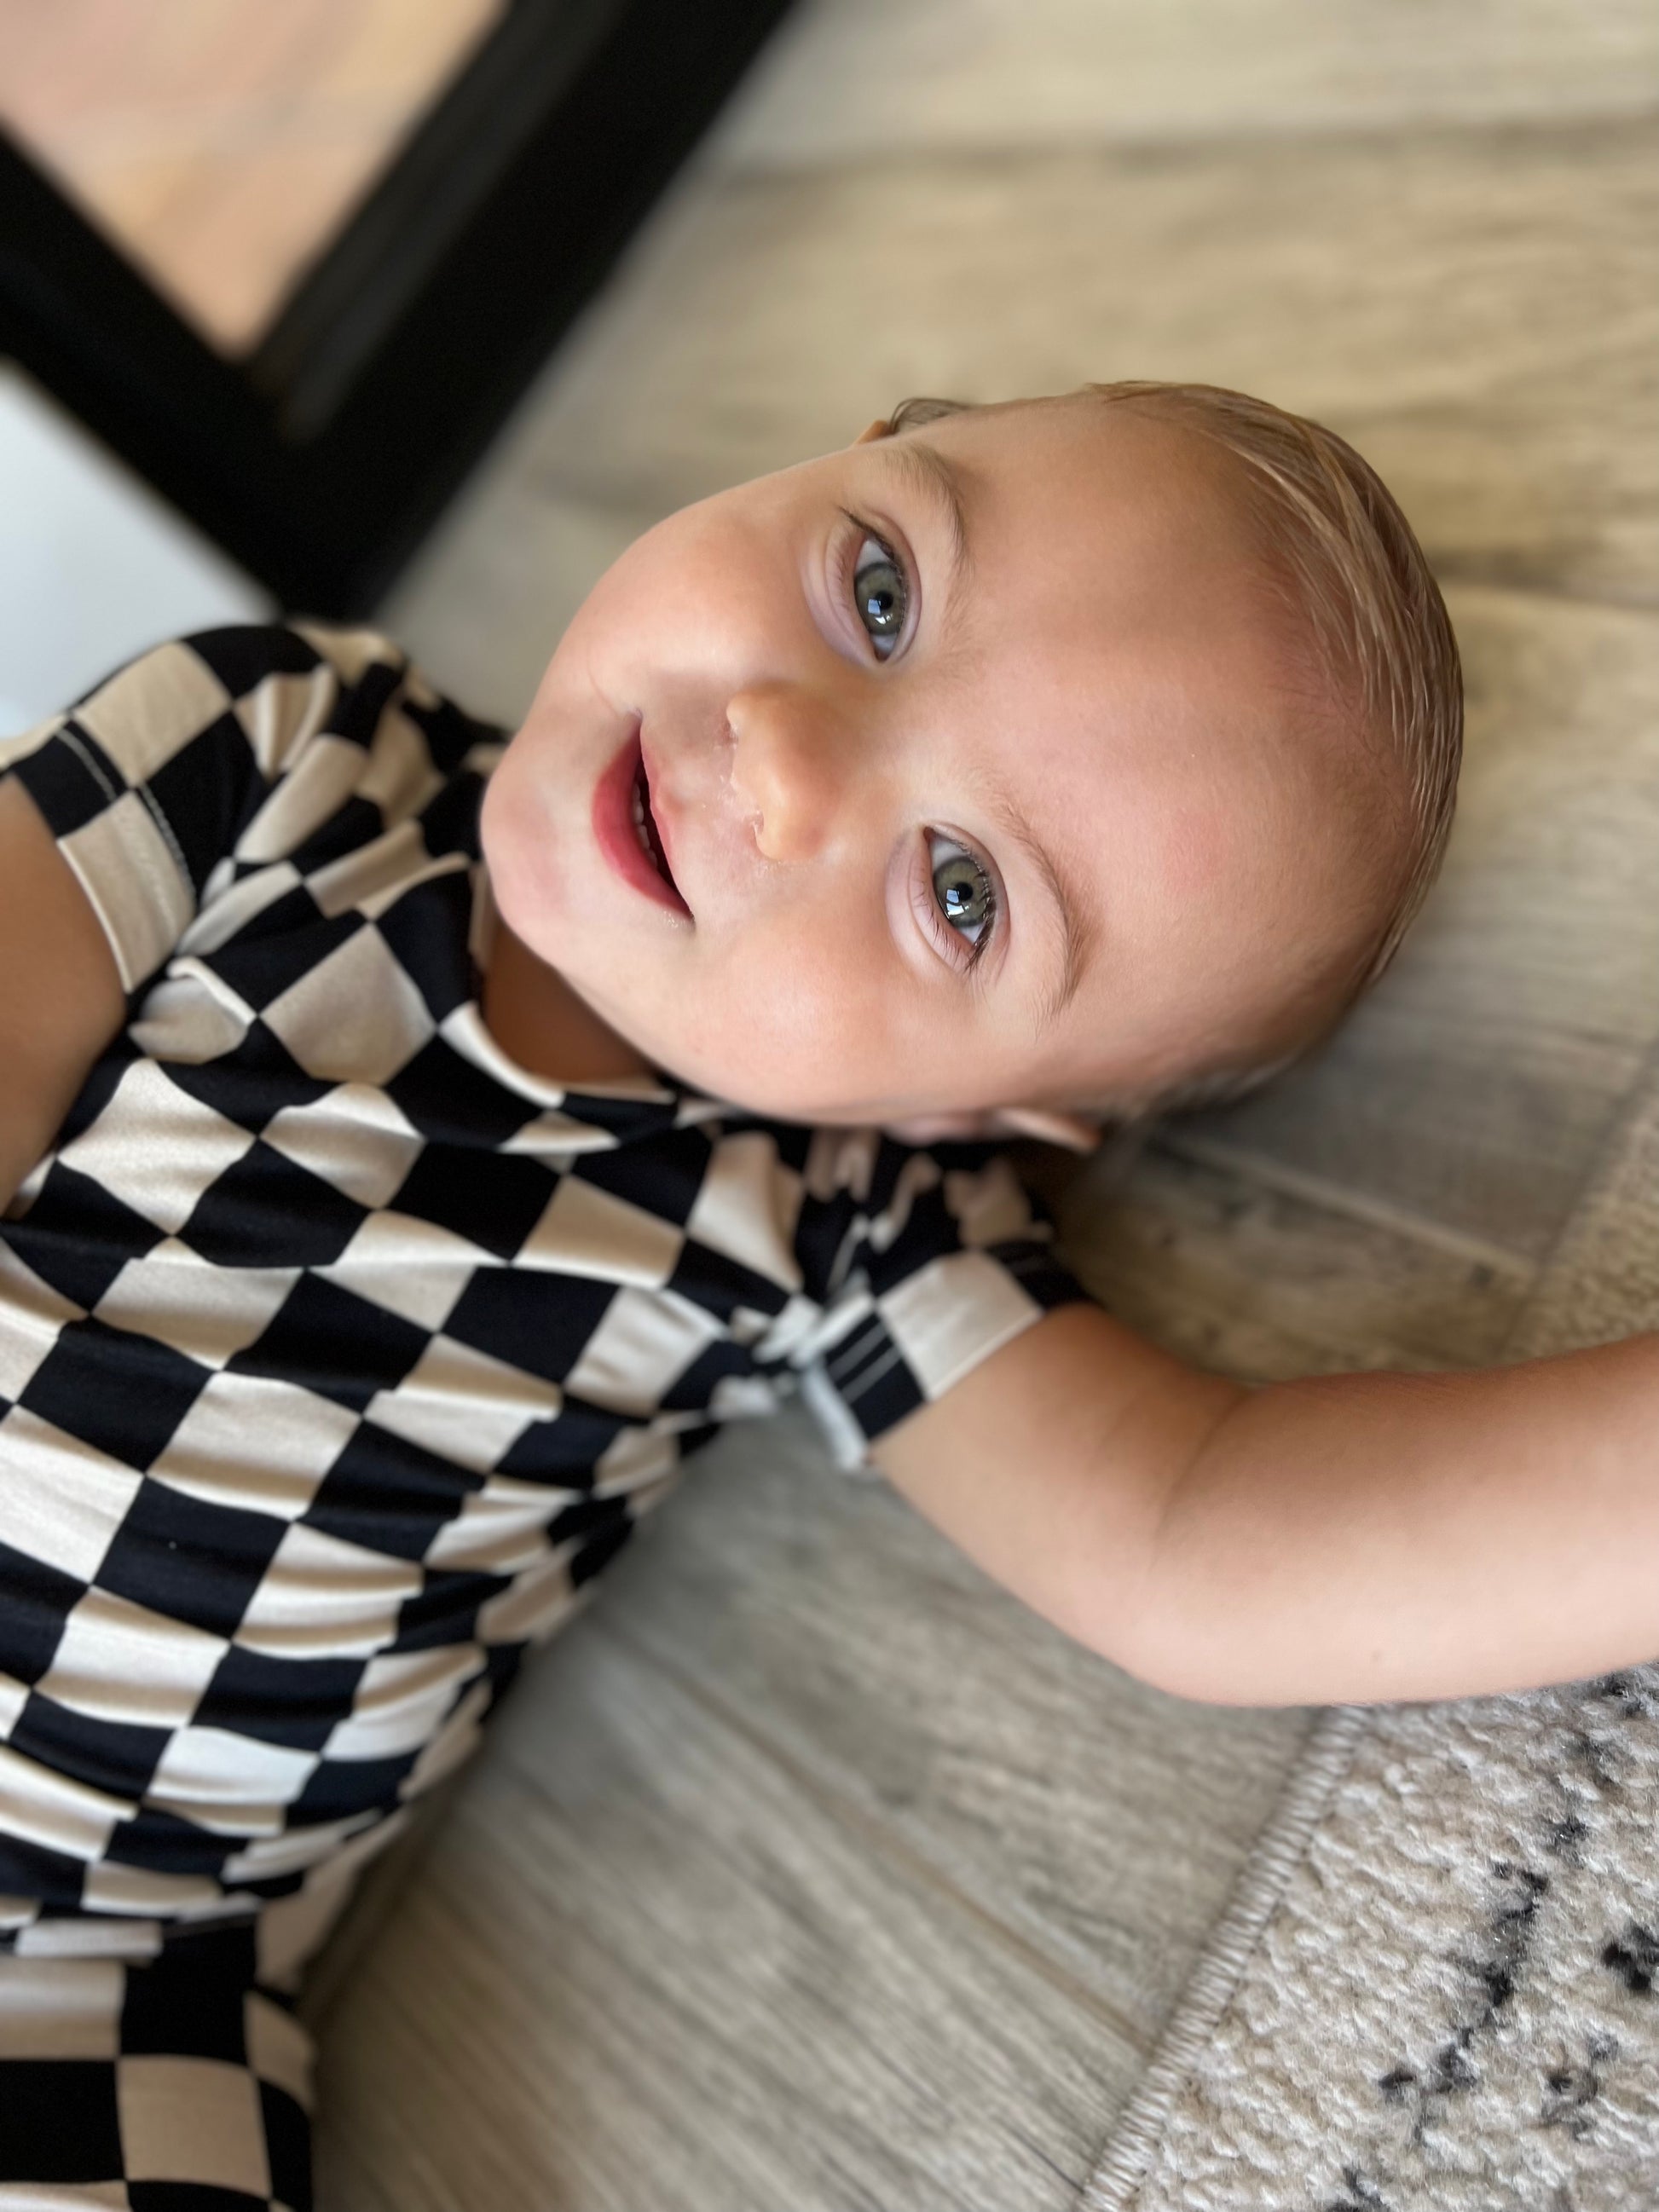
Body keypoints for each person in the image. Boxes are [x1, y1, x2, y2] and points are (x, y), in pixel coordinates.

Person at [0, 380, 1644, 2208]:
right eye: (878, 591)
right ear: (848, 446)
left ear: (980, 1113)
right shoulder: (275, 745)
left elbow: (1202, 1534)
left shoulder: (840, 1205)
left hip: (94, 1952)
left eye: (959, 892)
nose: (780, 758)